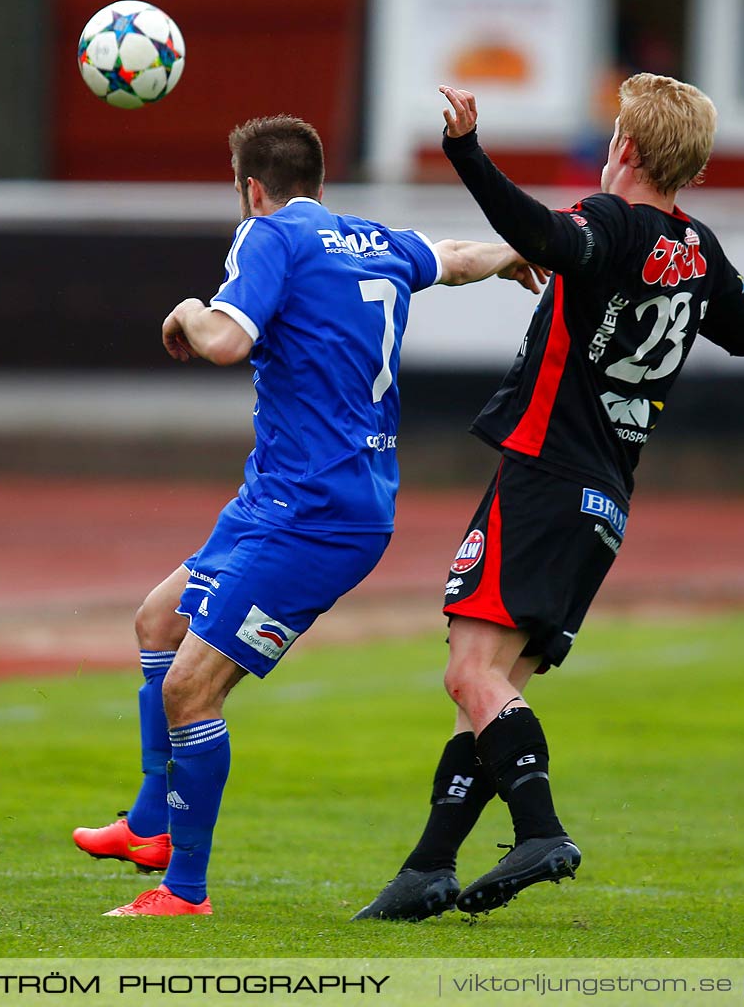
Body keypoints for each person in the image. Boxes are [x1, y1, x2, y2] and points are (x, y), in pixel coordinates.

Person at [71, 114, 544, 917]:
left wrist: (185, 309)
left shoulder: (267, 236)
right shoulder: (372, 239)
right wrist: (517, 253)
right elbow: (460, 258)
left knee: (190, 689)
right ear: (321, 186)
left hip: (316, 516)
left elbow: (222, 341)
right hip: (284, 497)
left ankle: (185, 891)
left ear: (252, 190)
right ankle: (151, 823)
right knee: (157, 621)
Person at [354, 75, 744, 921]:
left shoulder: (613, 221)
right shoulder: (699, 247)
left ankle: (541, 829)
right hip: (607, 499)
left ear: (628, 149)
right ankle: (427, 867)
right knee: (497, 685)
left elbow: (543, 232)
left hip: (546, 473)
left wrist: (466, 152)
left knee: (469, 672)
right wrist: (699, 286)